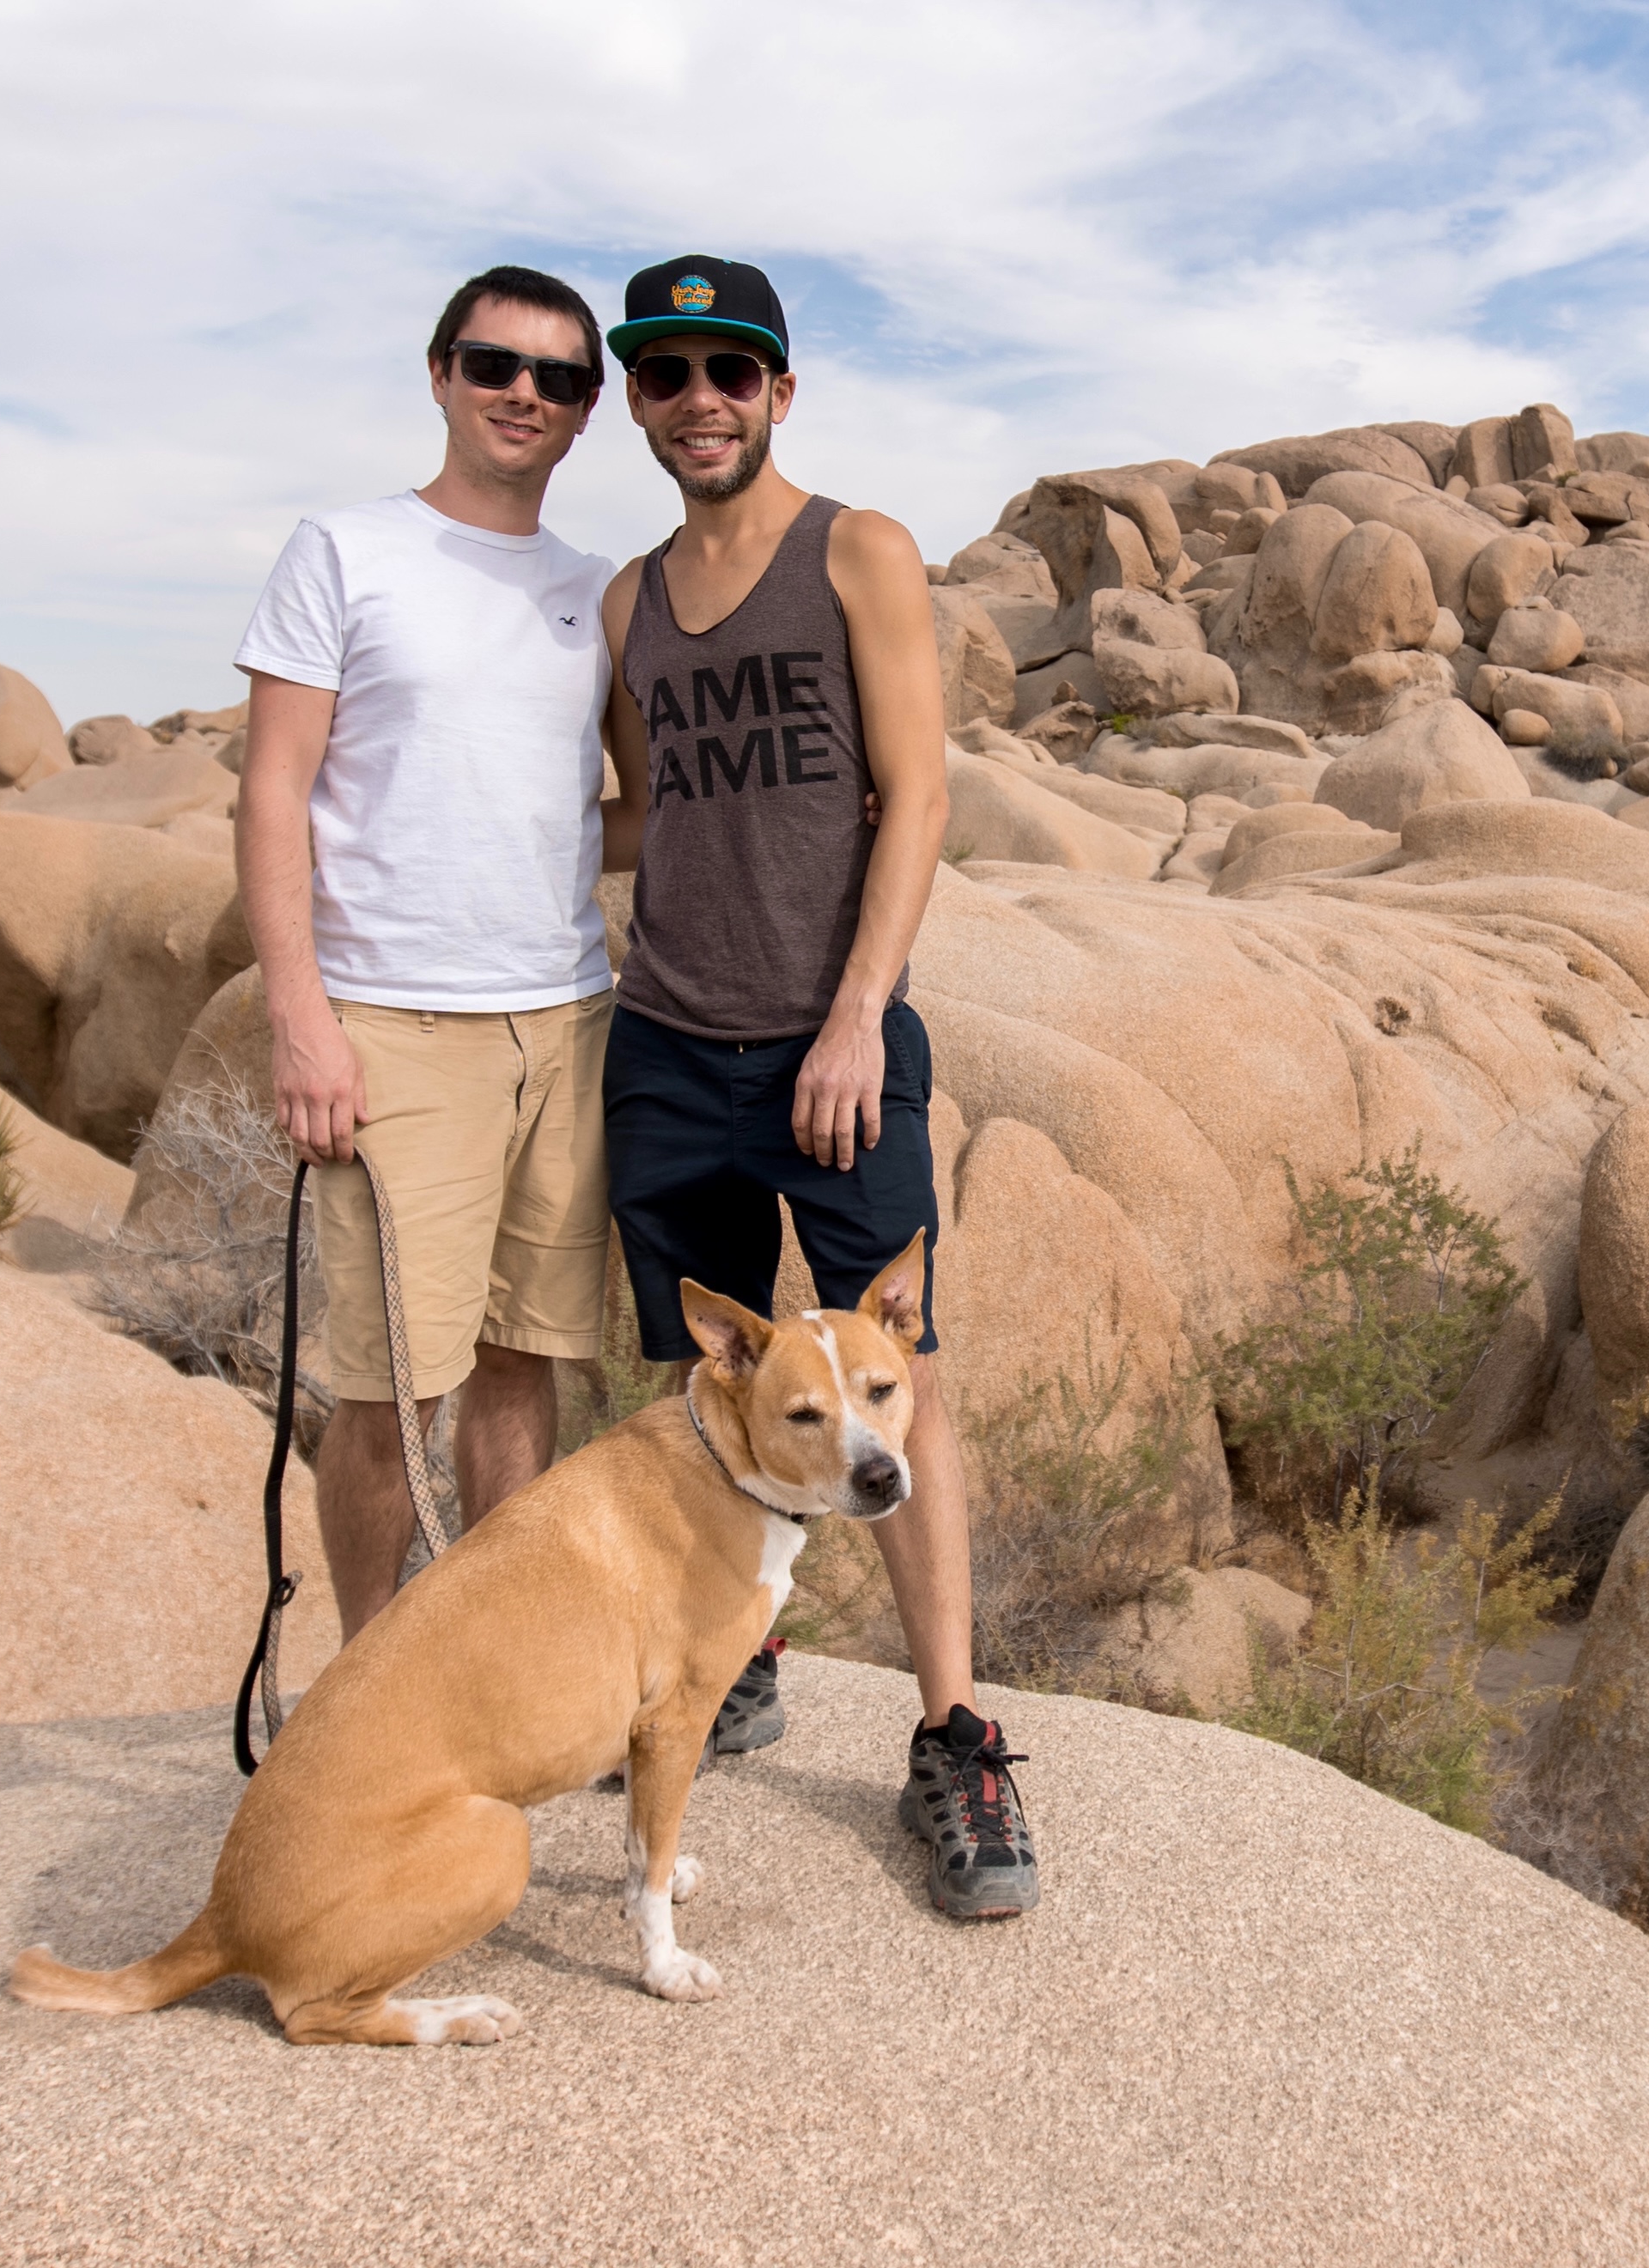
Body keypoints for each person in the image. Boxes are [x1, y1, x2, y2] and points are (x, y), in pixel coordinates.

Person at [593, 254, 1040, 1919]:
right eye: (665, 373)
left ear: (779, 389)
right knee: (718, 1388)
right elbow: (653, 812)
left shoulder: (854, 548)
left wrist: (857, 1015)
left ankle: (953, 1732)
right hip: (667, 1040)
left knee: (893, 1379)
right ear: (637, 401)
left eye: (729, 369)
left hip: (826, 1041)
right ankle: (741, 1653)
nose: (696, 399)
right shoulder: (627, 604)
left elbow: (916, 793)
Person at [231, 265, 619, 1642]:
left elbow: (623, 808)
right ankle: (367, 1671)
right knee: (391, 1385)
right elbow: (273, 787)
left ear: (585, 413)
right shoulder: (343, 551)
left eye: (558, 379)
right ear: (441, 373)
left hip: (567, 1020)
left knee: (526, 1362)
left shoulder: (593, 592)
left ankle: (499, 1656)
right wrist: (299, 1020)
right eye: (495, 364)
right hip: (394, 1026)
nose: (524, 394)